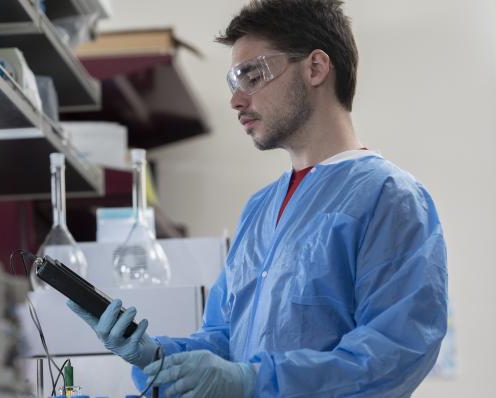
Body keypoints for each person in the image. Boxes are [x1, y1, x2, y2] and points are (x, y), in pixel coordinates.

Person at [67, 0, 448, 396]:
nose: (236, 100)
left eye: (252, 76)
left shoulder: (389, 197)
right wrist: (154, 355)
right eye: (234, 84)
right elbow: (224, 340)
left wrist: (255, 381)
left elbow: (393, 354)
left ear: (316, 68)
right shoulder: (261, 209)